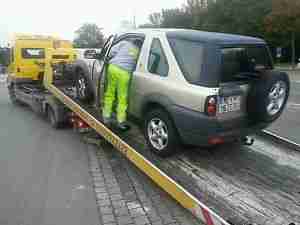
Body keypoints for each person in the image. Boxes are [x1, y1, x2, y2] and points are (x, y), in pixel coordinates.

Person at [102, 39, 142, 131]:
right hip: (125, 72)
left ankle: (106, 117)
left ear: (132, 41)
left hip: (113, 68)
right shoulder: (140, 51)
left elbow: (111, 52)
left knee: (110, 93)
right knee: (122, 97)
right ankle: (120, 121)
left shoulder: (124, 43)